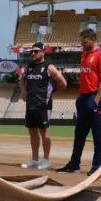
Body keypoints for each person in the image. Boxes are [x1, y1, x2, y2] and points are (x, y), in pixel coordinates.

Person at [57, 28, 101, 176]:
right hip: (84, 98)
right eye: (81, 42)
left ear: (92, 40)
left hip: (96, 97)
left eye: (84, 42)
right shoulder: (83, 55)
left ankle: (97, 166)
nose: (82, 44)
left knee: (97, 134)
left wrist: (97, 100)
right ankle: (74, 164)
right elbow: (84, 78)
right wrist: (79, 97)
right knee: (79, 133)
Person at [20, 42, 67, 170]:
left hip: (43, 105)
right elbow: (22, 79)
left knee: (44, 132)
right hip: (30, 104)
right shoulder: (28, 68)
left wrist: (53, 90)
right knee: (32, 132)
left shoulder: (49, 67)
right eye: (32, 52)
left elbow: (63, 83)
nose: (33, 54)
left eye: (36, 51)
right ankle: (35, 159)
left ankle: (46, 160)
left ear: (43, 52)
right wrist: (23, 91)